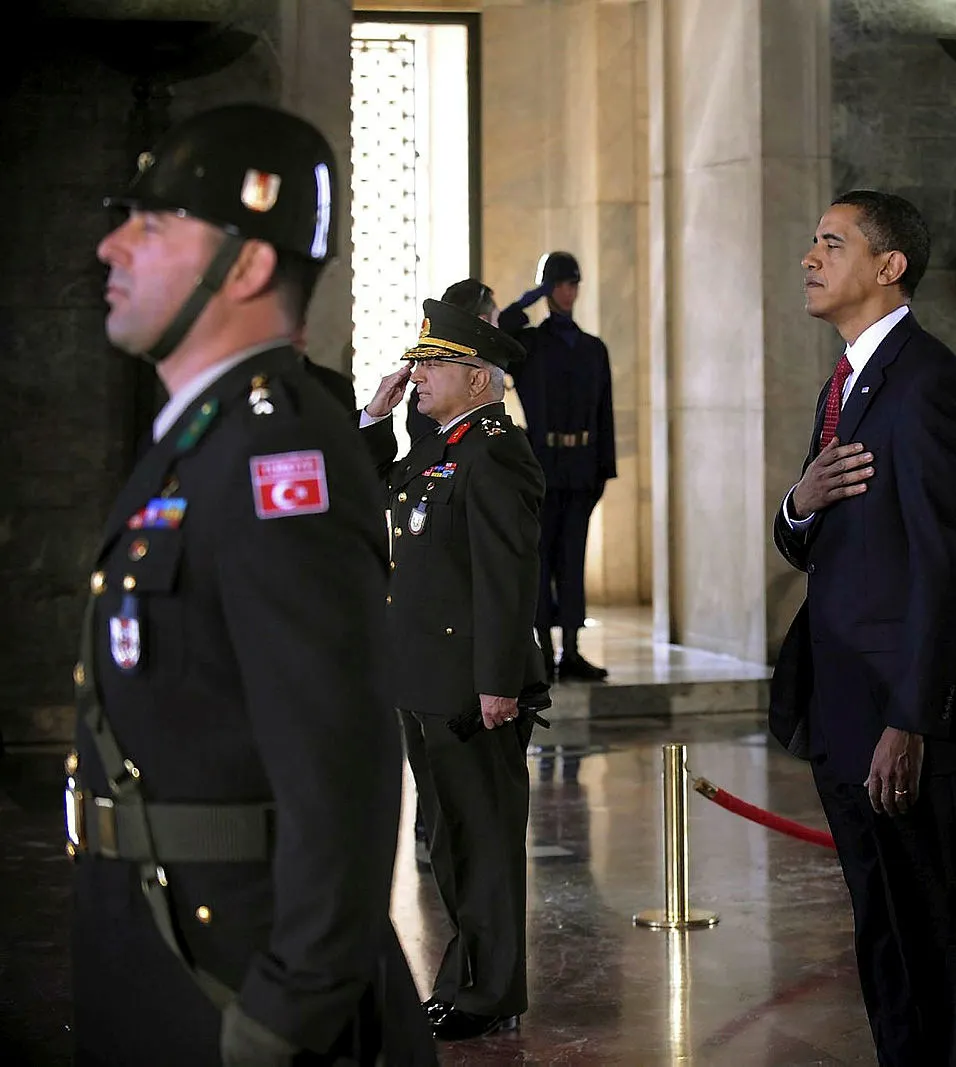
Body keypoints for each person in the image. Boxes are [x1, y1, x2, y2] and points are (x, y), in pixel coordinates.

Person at [76, 103, 434, 1066]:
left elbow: (340, 768)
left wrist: (284, 1016)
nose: (112, 246)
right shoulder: (204, 439)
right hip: (168, 945)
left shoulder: (280, 458)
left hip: (240, 980)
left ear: (245, 266)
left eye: (153, 224)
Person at [769, 190, 956, 1066]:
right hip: (844, 705)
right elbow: (816, 537)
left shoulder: (929, 381)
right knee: (883, 930)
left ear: (888, 265)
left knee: (931, 933)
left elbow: (949, 567)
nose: (809, 257)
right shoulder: (847, 380)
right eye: (813, 240)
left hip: (900, 720)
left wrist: (910, 720)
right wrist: (799, 502)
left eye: (832, 243)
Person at [360, 298, 545, 1042]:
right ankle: (467, 981)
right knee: (451, 843)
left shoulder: (495, 449)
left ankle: (490, 992)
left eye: (434, 363)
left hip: (472, 685)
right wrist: (375, 419)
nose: (419, 375)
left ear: (477, 377)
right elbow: (378, 492)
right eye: (420, 362)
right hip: (426, 677)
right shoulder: (441, 444)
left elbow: (507, 573)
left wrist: (498, 680)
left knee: (482, 842)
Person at [498, 252, 616, 681]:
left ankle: (572, 649)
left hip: (581, 467)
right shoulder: (529, 346)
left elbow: (604, 414)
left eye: (572, 284)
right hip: (542, 465)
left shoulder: (592, 348)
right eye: (560, 284)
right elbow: (502, 329)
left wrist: (603, 471)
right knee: (541, 558)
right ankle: (544, 650)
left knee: (572, 559)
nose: (567, 292)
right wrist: (530, 298)